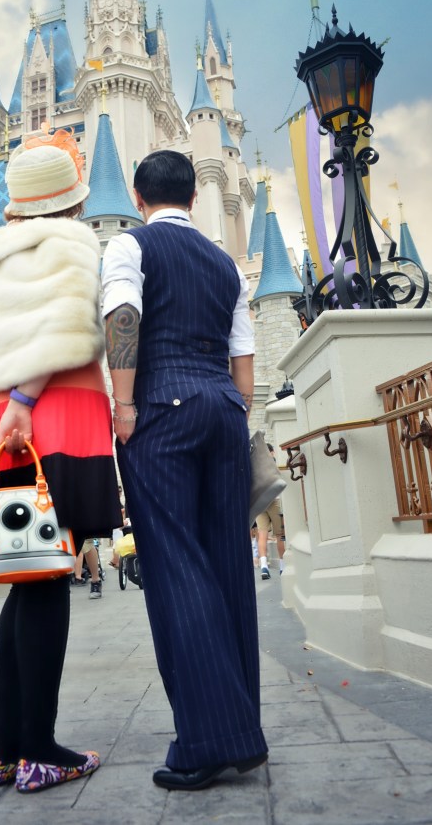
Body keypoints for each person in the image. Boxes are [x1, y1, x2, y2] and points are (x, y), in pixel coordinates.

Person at [0, 127, 122, 794]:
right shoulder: (72, 243)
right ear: (70, 203)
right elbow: (69, 325)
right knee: (48, 581)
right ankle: (40, 749)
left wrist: (6, 402)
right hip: (47, 425)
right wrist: (24, 398)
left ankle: (3, 750)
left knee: (26, 585)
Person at [101, 149, 268, 791]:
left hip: (159, 411)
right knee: (226, 563)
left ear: (139, 198)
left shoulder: (129, 246)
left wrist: (123, 403)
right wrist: (229, 407)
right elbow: (244, 360)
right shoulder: (225, 263)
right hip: (224, 410)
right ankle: (242, 724)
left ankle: (211, 741)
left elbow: (123, 318)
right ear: (194, 199)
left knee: (174, 565)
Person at [255, 445, 285, 579]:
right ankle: (283, 567)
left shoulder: (256, 462)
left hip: (260, 502)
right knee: (280, 535)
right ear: (272, 452)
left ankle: (264, 567)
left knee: (262, 535)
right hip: (274, 500)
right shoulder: (272, 462)